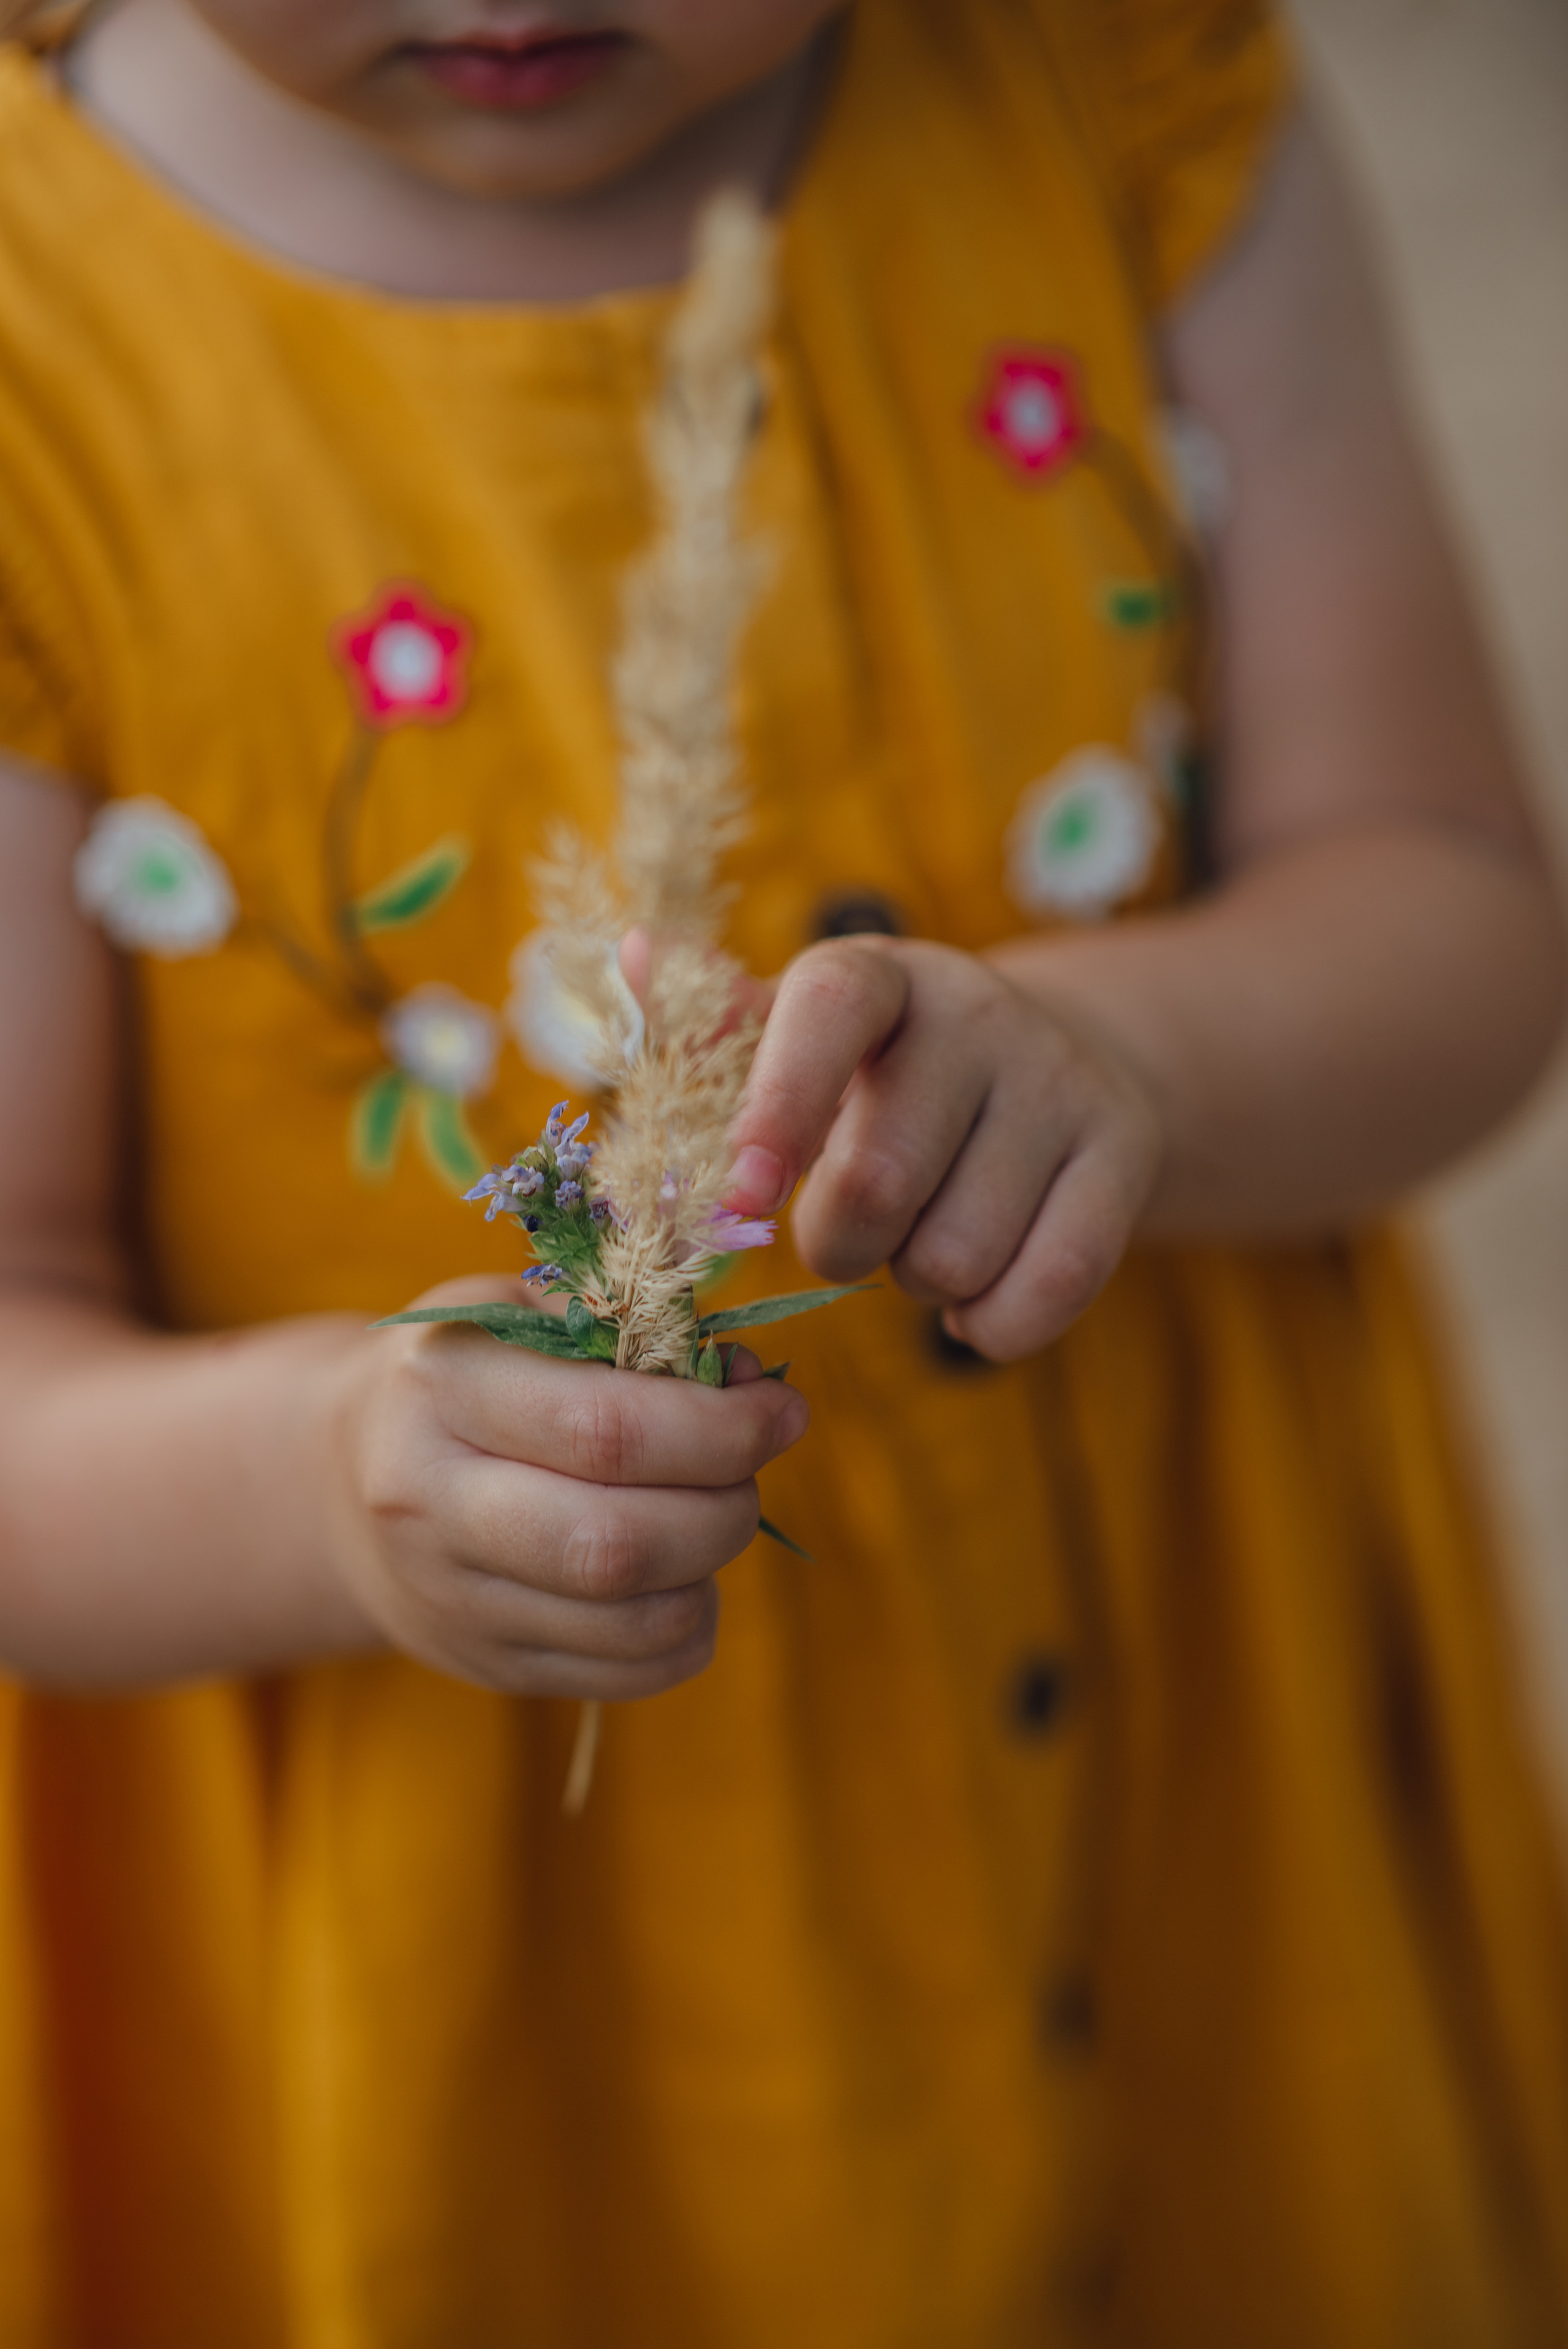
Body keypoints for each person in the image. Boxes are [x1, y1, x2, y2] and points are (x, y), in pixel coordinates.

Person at [0, 0, 1565, 2340]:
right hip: (495, 2055)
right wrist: (327, 1483)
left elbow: (1456, 913)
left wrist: (1126, 1050)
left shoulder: (1112, 89)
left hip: (1200, 1863)